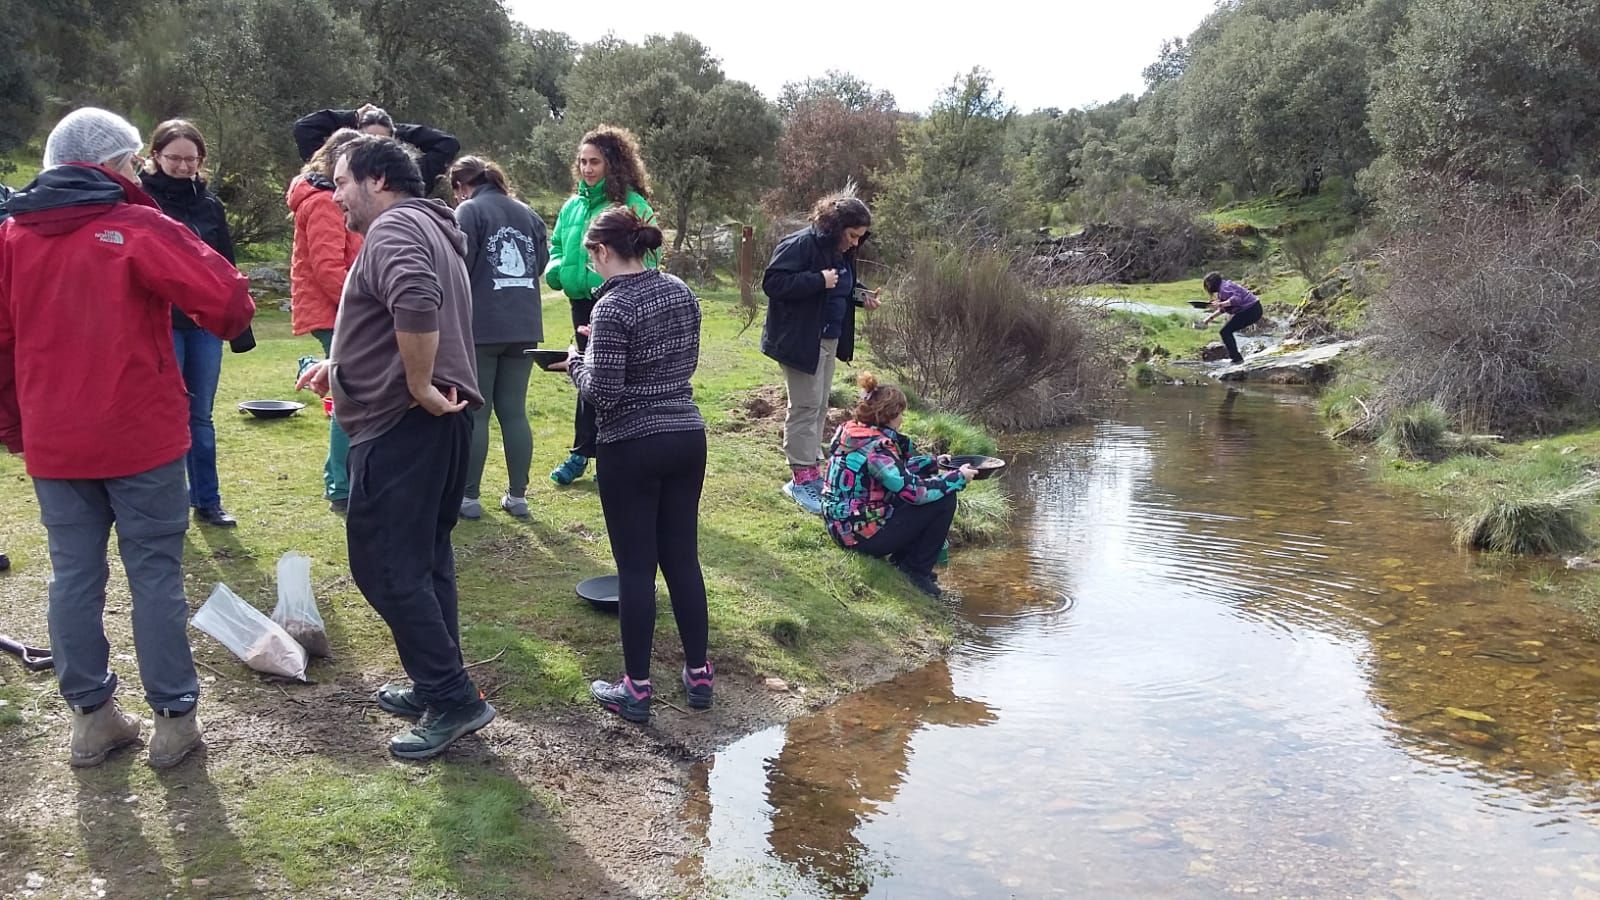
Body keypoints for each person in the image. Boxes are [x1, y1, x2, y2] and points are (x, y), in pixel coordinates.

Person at [0, 107, 256, 768]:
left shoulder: (12, 235)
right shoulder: (138, 225)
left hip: (57, 440)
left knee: (73, 575)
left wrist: (17, 427)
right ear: (115, 164)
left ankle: (91, 719)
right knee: (154, 574)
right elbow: (230, 303)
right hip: (139, 433)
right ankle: (174, 721)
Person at [294, 135, 494, 760]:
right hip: (435, 425)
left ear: (377, 179)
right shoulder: (432, 225)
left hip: (405, 424)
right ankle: (436, 683)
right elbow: (394, 315)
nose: (334, 196)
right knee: (426, 561)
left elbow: (413, 297)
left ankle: (454, 698)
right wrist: (341, 365)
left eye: (340, 182)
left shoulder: (394, 228)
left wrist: (417, 383)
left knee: (385, 565)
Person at [557, 207, 711, 723]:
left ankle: (636, 690)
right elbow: (676, 360)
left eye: (590, 257)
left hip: (632, 444)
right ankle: (699, 675)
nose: (591, 266)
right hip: (686, 435)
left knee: (636, 569)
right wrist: (600, 347)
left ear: (603, 250)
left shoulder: (613, 306)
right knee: (683, 560)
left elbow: (604, 392)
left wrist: (576, 362)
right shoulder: (681, 291)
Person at [139, 119, 257, 528]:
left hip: (203, 325)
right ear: (155, 156)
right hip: (160, 324)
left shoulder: (209, 205)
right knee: (166, 414)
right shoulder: (141, 202)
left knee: (200, 415)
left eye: (191, 159)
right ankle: (166, 504)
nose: (183, 166)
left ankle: (207, 500)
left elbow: (227, 267)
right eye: (174, 157)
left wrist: (239, 327)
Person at [544, 125, 659, 486]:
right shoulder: (572, 207)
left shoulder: (633, 204)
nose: (587, 168)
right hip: (581, 303)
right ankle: (582, 451)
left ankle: (611, 452)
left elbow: (650, 255)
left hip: (619, 302)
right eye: (582, 162)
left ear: (613, 163)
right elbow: (557, 247)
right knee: (587, 374)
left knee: (614, 377)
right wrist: (558, 272)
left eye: (594, 161)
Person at [761, 185, 882, 516]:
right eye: (853, 235)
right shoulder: (800, 244)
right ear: (837, 226)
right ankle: (800, 480)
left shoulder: (842, 250)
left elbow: (840, 284)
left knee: (819, 405)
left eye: (860, 237)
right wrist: (817, 280)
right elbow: (773, 283)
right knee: (805, 406)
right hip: (800, 339)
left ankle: (813, 472)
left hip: (828, 338)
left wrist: (861, 297)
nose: (855, 243)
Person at [449, 156, 549, 519]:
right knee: (514, 411)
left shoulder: (469, 212)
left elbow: (459, 265)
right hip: (523, 325)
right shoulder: (528, 213)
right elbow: (540, 264)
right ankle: (518, 495)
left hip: (482, 326)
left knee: (476, 413)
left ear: (461, 187)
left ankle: (469, 497)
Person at [821, 373, 976, 598]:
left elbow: (893, 472)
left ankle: (906, 560)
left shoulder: (852, 433)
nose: (902, 419)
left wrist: (933, 463)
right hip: (860, 537)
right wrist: (956, 478)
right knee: (944, 498)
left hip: (839, 526)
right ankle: (915, 571)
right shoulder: (877, 449)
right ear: (890, 415)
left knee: (927, 482)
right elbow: (914, 492)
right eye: (901, 413)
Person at [287, 128, 365, 514]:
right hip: (334, 312)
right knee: (347, 394)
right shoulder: (323, 203)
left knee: (348, 389)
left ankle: (312, 367)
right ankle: (341, 485)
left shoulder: (333, 200)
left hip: (341, 309)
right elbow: (328, 267)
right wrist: (363, 308)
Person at [293, 103, 460, 192]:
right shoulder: (337, 172)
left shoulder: (409, 178)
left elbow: (448, 143)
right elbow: (304, 128)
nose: (375, 147)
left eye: (381, 142)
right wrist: (353, 117)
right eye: (368, 141)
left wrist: (392, 129)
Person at [1198, 271, 1263, 364]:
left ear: (1213, 282)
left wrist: (1220, 304)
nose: (1208, 288)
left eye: (1208, 285)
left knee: (1225, 332)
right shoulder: (1224, 287)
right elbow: (1225, 308)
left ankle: (1237, 358)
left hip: (1251, 310)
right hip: (1254, 309)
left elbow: (1236, 300)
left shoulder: (1224, 288)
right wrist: (1208, 319)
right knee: (1226, 331)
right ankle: (1236, 357)